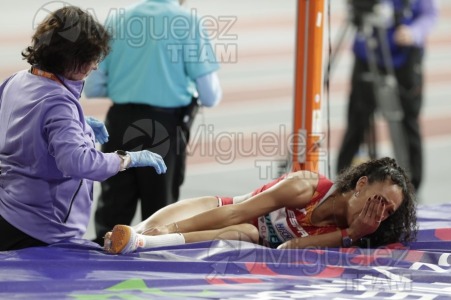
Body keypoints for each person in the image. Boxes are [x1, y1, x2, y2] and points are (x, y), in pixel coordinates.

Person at [0, 6, 167, 251]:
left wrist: (78, 124)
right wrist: (126, 159)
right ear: (71, 59)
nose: (96, 67)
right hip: (40, 228)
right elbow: (78, 162)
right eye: (93, 59)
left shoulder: (16, 80)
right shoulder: (59, 103)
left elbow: (21, 122)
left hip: (8, 212)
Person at [84, 0, 222, 245]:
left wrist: (129, 83)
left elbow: (93, 86)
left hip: (119, 122)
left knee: (112, 214)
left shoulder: (118, 20)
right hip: (164, 127)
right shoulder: (188, 22)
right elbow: (210, 95)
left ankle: (101, 270)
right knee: (160, 218)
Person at [103, 157, 417, 254]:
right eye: (379, 201)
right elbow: (236, 211)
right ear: (361, 184)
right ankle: (133, 235)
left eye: (388, 211)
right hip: (226, 207)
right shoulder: (306, 187)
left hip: (245, 236)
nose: (379, 213)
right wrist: (170, 228)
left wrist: (350, 234)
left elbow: (288, 250)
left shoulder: (356, 233)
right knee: (145, 227)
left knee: (247, 234)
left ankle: (143, 242)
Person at [336, 0, 438, 191]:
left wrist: (413, 32)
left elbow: (430, 15)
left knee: (408, 123)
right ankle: (343, 180)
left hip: (405, 60)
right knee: (357, 121)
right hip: (367, 54)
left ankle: (411, 186)